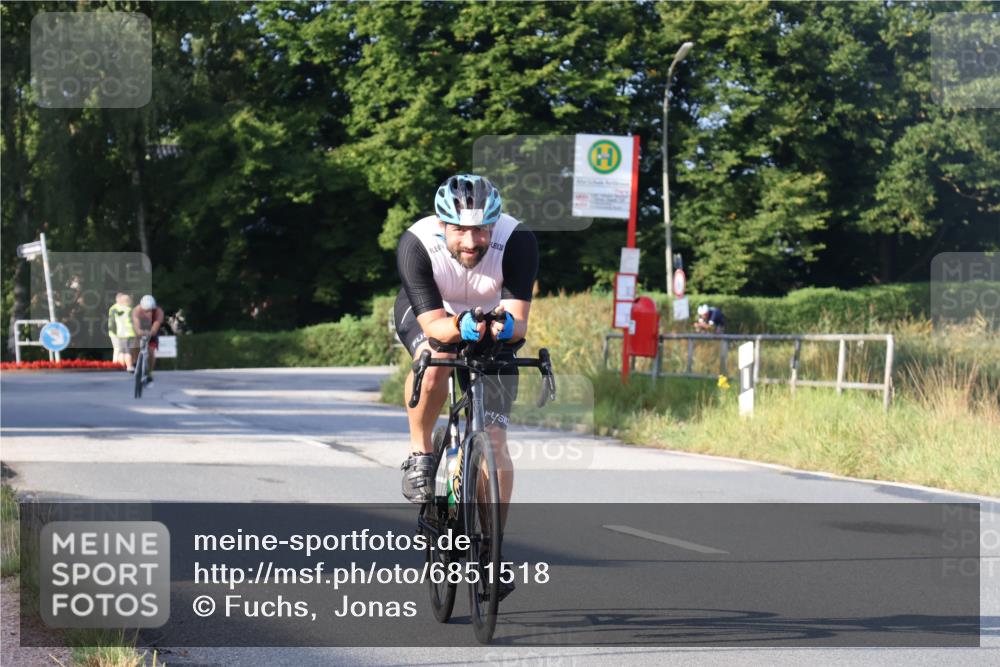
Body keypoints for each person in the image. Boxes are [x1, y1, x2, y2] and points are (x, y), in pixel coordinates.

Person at [395, 175, 538, 595]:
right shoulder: (417, 244)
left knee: (494, 442)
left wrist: (498, 326)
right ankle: (421, 455)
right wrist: (460, 325)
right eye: (460, 229)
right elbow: (435, 325)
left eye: (480, 229)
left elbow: (518, 321)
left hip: (490, 323)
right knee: (437, 357)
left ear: (494, 224)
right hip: (434, 316)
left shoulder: (517, 240)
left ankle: (491, 552)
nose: (471, 241)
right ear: (442, 225)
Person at [132, 294, 164, 384]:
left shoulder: (158, 312)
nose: (148, 313)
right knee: (135, 343)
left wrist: (151, 332)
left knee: (151, 351)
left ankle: (150, 372)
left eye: (150, 310)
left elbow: (155, 327)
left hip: (152, 330)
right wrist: (139, 332)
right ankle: (135, 362)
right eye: (146, 311)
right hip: (141, 328)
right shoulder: (136, 310)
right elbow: (136, 326)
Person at [107, 293, 137, 371]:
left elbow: (113, 322)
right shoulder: (128, 309)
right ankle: (122, 365)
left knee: (122, 350)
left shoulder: (116, 308)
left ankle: (122, 366)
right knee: (124, 350)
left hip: (121, 333)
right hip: (128, 333)